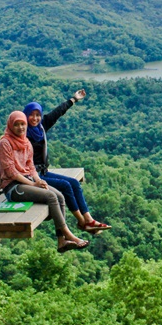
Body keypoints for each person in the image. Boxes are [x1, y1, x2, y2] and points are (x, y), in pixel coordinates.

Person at [0, 110, 89, 252]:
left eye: (23, 124)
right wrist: (33, 184)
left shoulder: (26, 142)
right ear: (10, 125)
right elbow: (11, 172)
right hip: (13, 187)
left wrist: (39, 181)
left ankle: (61, 241)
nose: (20, 128)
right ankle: (68, 234)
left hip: (27, 181)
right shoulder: (5, 143)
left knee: (59, 196)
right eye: (16, 124)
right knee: (51, 196)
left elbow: (31, 167)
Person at [24, 89, 111, 234]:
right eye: (31, 115)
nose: (34, 118)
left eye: (37, 115)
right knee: (65, 186)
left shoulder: (41, 127)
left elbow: (57, 113)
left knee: (74, 183)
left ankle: (88, 219)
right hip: (33, 176)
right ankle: (82, 222)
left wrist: (74, 99)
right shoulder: (23, 132)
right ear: (25, 116)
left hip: (44, 172)